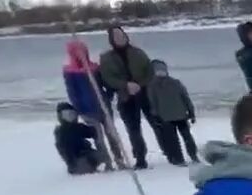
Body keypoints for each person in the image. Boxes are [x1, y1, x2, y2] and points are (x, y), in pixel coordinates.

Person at [99, 25, 157, 169]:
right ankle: (140, 158)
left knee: (158, 124)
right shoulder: (106, 58)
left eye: (121, 35)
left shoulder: (138, 53)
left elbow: (150, 72)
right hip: (125, 97)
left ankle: (172, 153)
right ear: (111, 39)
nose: (120, 38)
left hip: (145, 94)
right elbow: (107, 78)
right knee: (133, 129)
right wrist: (125, 85)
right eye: (116, 36)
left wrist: (139, 84)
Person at [62, 39, 124, 169]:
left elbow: (106, 84)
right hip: (87, 110)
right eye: (78, 52)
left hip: (104, 107)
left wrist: (108, 97)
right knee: (98, 138)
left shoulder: (95, 68)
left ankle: (120, 160)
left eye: (83, 51)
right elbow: (73, 93)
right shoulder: (70, 72)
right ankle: (108, 163)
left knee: (112, 135)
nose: (82, 55)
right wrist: (80, 110)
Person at [145, 59, 198, 166]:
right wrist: (155, 116)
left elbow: (185, 98)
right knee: (174, 140)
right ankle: (179, 158)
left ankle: (193, 156)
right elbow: (153, 102)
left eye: (162, 69)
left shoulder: (175, 83)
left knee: (187, 137)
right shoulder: (152, 86)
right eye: (158, 70)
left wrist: (191, 112)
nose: (161, 72)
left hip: (180, 116)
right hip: (166, 118)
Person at [53, 103, 103, 174]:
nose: (71, 117)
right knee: (84, 165)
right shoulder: (61, 132)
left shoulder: (77, 127)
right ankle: (86, 170)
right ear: (61, 116)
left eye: (72, 114)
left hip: (86, 155)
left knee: (101, 155)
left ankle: (90, 167)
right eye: (67, 115)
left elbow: (90, 132)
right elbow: (65, 151)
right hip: (75, 162)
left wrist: (93, 123)